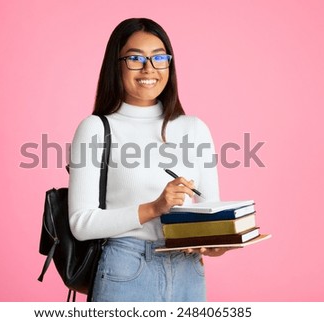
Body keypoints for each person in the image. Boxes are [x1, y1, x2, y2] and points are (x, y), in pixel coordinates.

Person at [68, 18, 232, 302]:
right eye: (135, 58)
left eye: (159, 57)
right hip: (125, 268)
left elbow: (209, 209)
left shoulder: (194, 128)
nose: (149, 68)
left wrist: (216, 242)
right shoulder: (96, 127)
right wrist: (156, 207)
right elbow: (81, 224)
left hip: (187, 269)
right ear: (115, 64)